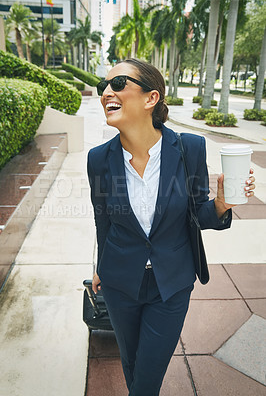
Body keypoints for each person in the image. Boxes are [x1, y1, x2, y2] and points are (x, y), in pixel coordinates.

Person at [87, 59, 255, 396]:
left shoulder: (189, 149)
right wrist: (100, 266)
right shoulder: (98, 158)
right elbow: (103, 218)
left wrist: (221, 204)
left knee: (147, 378)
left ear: (151, 98)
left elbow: (196, 214)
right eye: (102, 86)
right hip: (119, 283)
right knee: (132, 364)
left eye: (118, 83)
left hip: (172, 284)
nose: (107, 92)